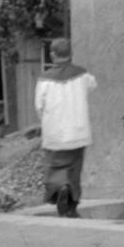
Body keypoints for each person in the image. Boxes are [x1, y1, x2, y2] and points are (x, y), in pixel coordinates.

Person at [36, 38, 97, 218]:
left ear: (52, 54)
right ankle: (72, 205)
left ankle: (61, 187)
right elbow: (93, 85)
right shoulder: (82, 74)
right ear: (70, 53)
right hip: (78, 131)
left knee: (55, 166)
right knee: (74, 168)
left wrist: (46, 122)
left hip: (54, 132)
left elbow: (39, 106)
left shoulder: (44, 79)